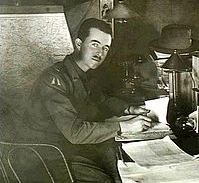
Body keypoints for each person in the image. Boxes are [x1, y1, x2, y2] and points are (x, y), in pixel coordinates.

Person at [23, 18, 152, 183]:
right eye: (95, 44)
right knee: (110, 178)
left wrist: (129, 109)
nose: (100, 53)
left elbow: (100, 100)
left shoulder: (84, 72)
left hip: (71, 147)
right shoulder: (54, 79)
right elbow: (75, 133)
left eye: (106, 48)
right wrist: (124, 125)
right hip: (48, 154)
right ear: (78, 44)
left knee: (122, 167)